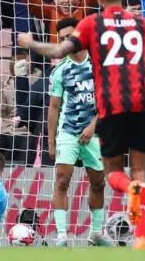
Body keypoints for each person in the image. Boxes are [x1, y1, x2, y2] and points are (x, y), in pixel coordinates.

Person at [17, 0, 145, 250]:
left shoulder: (91, 24)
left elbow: (57, 52)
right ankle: (140, 238)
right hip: (141, 105)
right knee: (139, 170)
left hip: (111, 107)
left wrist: (29, 43)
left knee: (114, 173)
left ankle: (130, 190)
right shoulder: (141, 23)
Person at [48, 18, 112, 247]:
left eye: (70, 36)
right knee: (62, 180)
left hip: (94, 134)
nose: (67, 41)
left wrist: (93, 126)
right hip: (67, 133)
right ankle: (62, 236)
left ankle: (95, 234)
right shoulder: (60, 71)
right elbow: (54, 107)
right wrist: (51, 142)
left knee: (98, 183)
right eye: (62, 38)